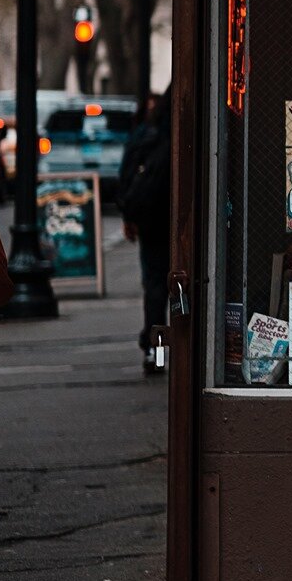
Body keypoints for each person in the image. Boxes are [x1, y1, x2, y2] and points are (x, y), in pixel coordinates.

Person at [118, 87, 171, 375]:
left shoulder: (145, 133)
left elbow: (126, 175)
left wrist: (129, 216)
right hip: (181, 221)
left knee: (155, 290)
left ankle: (156, 354)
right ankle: (197, 358)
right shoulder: (186, 130)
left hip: (151, 221)